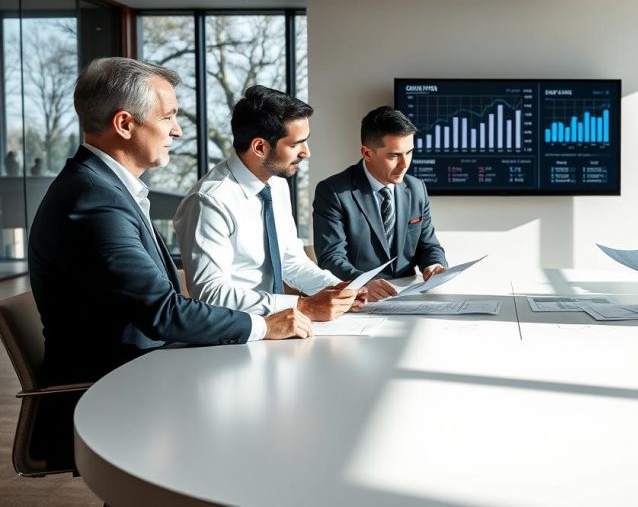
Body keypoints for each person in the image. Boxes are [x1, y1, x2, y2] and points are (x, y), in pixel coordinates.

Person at [28, 58, 311, 465]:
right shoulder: (92, 201)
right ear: (125, 124)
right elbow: (161, 310)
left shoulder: (106, 189)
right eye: (168, 117)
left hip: (150, 371)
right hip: (114, 391)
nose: (177, 130)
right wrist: (263, 325)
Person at [174, 85, 364, 319]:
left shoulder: (276, 186)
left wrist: (338, 288)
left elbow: (291, 262)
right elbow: (210, 294)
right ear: (260, 147)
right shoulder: (209, 201)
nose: (306, 152)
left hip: (277, 326)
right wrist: (300, 306)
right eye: (295, 144)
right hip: (234, 334)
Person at [313, 106, 448, 301]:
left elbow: (428, 245)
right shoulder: (333, 192)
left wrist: (434, 264)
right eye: (394, 156)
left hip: (409, 297)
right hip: (359, 301)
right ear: (367, 153)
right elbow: (331, 258)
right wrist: (362, 282)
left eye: (409, 152)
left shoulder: (417, 188)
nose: (405, 164)